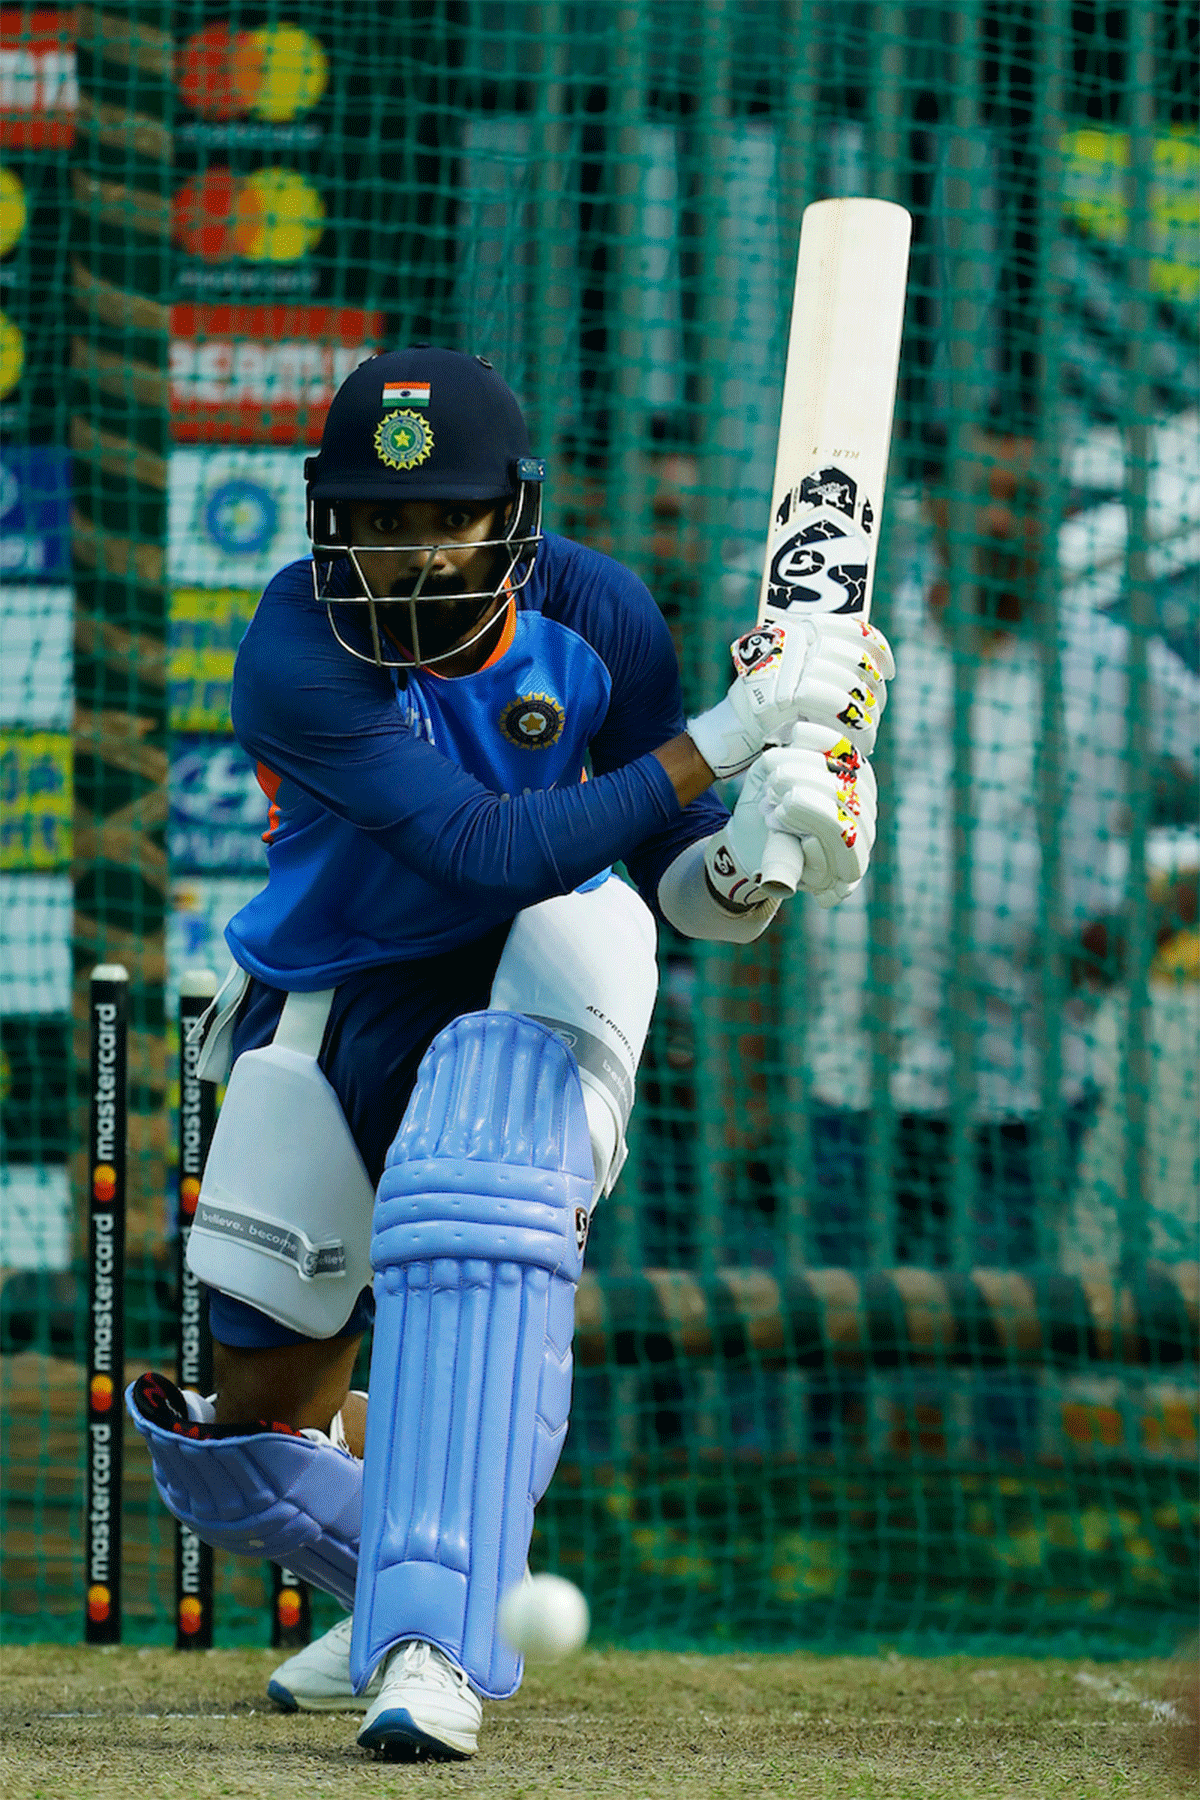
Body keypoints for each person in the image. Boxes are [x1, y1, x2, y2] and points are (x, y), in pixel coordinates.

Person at [124, 347, 894, 1760]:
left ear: (511, 515)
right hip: (330, 995)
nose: (403, 555)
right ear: (326, 517)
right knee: (243, 1448)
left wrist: (764, 854)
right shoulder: (297, 641)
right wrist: (732, 736)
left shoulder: (597, 612)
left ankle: (431, 1642)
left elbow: (660, 860)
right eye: (372, 519)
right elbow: (476, 846)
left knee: (472, 1225)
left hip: (543, 968)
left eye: (439, 521)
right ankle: (425, 1558)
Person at [803, 430, 1199, 1447]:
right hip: (851, 1077)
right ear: (934, 506)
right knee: (831, 1340)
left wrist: (1154, 914)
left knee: (1003, 1341)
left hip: (1022, 1087)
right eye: (986, 496)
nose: (1004, 523)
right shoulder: (865, 661)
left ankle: (1002, 1536)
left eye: (1029, 502)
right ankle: (817, 1538)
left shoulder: (1115, 667)